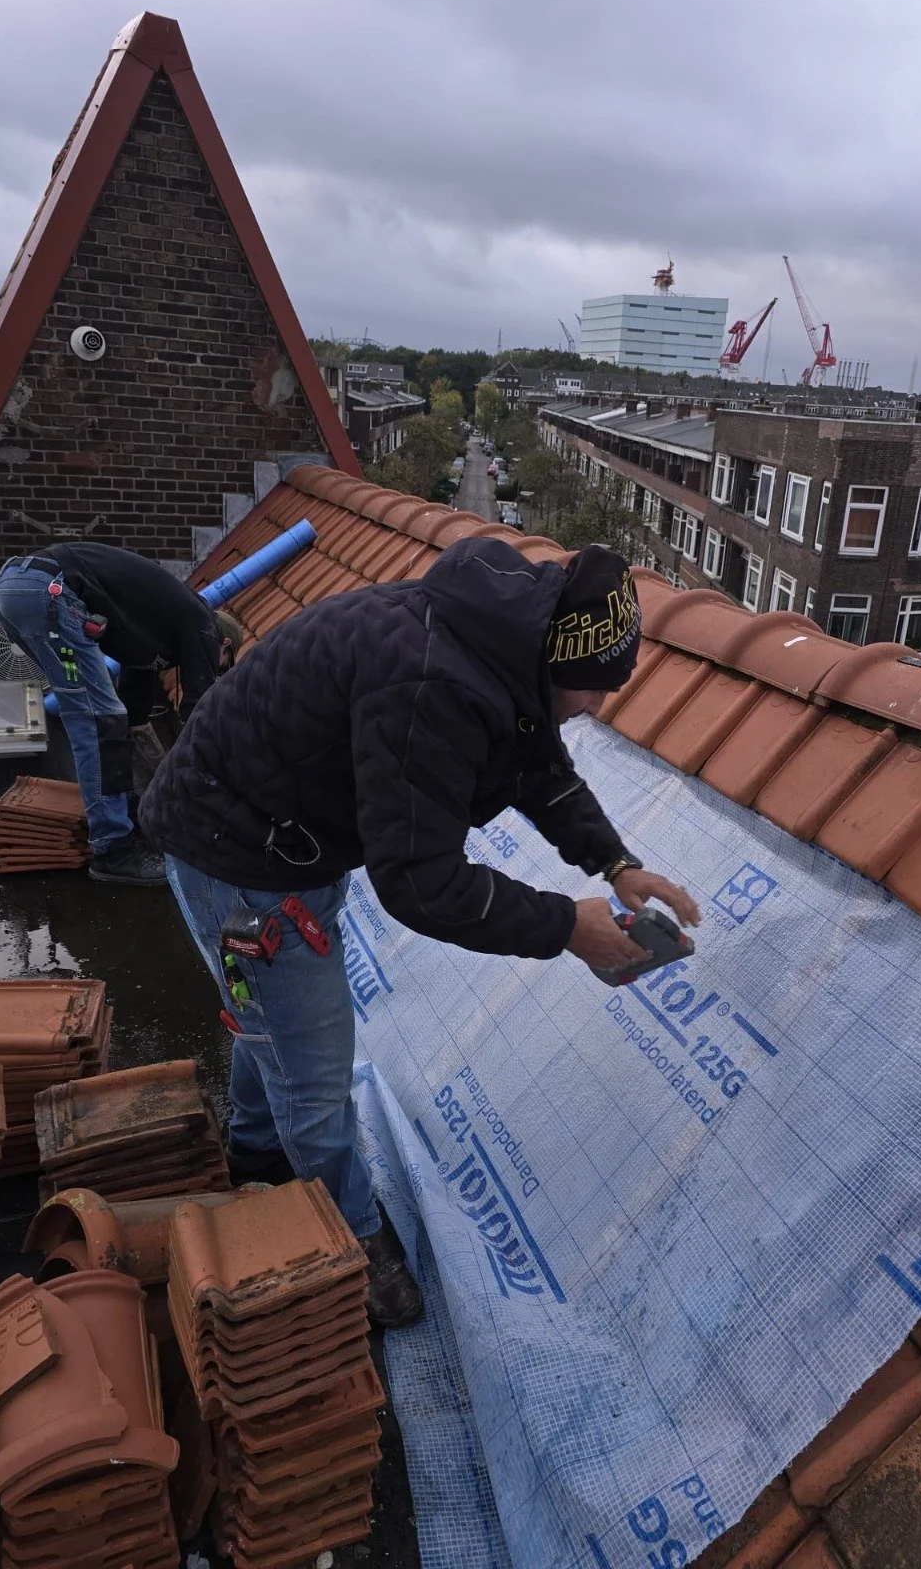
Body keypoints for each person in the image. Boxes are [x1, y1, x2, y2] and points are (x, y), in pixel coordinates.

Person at [139, 538, 700, 1328]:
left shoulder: (503, 645)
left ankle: (256, 1153)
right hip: (238, 856)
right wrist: (565, 927)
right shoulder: (432, 686)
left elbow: (537, 764)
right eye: (588, 693)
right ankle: (357, 1251)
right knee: (315, 1070)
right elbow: (420, 884)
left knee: (270, 1021)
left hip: (282, 829)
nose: (595, 709)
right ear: (550, 656)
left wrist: (615, 862)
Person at [0, 543, 240, 886]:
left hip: (16, 589)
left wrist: (144, 795)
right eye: (223, 666)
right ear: (224, 645)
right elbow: (199, 711)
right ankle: (113, 850)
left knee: (98, 714)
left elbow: (132, 710)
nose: (216, 668)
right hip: (50, 594)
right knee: (97, 720)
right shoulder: (204, 625)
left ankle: (120, 815)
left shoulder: (155, 632)